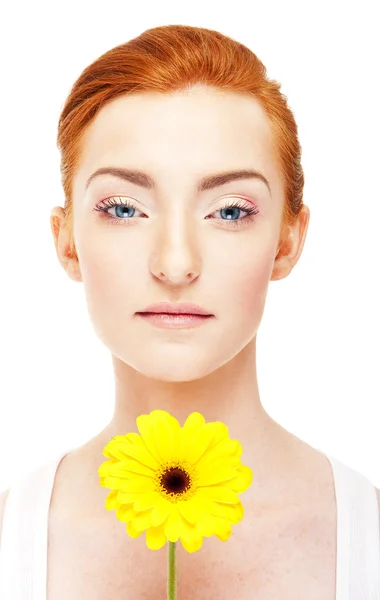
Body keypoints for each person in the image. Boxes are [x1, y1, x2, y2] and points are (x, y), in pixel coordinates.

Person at [0, 23, 379, 600]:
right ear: (67, 241)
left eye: (229, 211)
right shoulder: (11, 535)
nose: (175, 265)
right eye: (124, 208)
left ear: (288, 241)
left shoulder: (368, 533)